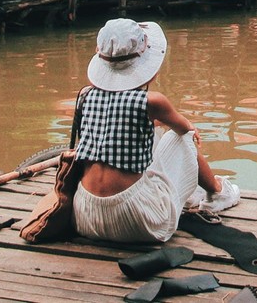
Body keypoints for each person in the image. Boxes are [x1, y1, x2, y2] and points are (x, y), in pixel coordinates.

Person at [73, 18, 240, 243]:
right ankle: (218, 192)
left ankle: (196, 192)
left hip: (85, 217)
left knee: (151, 135)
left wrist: (155, 124)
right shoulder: (153, 102)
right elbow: (184, 128)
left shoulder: (86, 97)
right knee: (183, 138)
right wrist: (188, 128)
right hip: (139, 222)